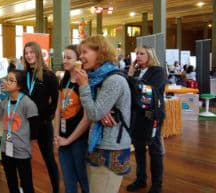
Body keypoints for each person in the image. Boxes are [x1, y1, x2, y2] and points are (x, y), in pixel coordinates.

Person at [75, 35, 131, 193]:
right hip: (99, 145)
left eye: (85, 52)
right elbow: (96, 111)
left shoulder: (113, 80)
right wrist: (99, 112)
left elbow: (93, 113)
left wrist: (84, 86)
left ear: (99, 53)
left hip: (111, 147)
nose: (81, 57)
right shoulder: (97, 79)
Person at [126, 46, 167, 193]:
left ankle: (157, 184)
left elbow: (149, 92)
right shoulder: (134, 71)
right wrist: (130, 75)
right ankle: (140, 179)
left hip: (152, 115)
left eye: (142, 53)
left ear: (150, 55)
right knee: (138, 148)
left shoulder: (158, 71)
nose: (138, 56)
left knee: (154, 149)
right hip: (137, 115)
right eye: (137, 53)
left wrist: (132, 80)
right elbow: (129, 92)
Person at [23, 41, 60, 193]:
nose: (29, 55)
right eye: (26, 53)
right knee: (24, 160)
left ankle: (56, 189)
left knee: (49, 159)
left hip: (43, 124)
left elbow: (56, 101)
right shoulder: (23, 75)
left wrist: (47, 116)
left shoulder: (49, 75)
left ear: (38, 53)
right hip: (25, 124)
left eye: (31, 52)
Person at [53, 45, 90, 193]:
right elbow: (58, 109)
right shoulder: (65, 78)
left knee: (83, 178)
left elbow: (87, 118)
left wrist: (69, 140)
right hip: (63, 136)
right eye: (64, 57)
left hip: (79, 139)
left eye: (69, 58)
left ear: (78, 60)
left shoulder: (85, 81)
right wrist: (56, 135)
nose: (65, 61)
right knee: (68, 180)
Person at [0, 70, 38, 193]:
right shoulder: (4, 103)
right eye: (7, 79)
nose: (7, 82)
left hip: (21, 150)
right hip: (6, 148)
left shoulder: (28, 103)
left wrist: (26, 144)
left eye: (11, 80)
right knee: (11, 180)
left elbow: (34, 129)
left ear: (19, 85)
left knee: (26, 182)